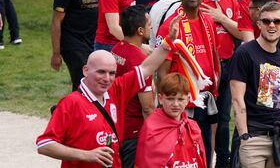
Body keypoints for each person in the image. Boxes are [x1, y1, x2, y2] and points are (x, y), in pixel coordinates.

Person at [36, 19, 179, 168]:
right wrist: (87, 155)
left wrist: (168, 41)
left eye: (112, 73)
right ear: (85, 70)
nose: (107, 78)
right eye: (101, 72)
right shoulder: (70, 103)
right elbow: (45, 144)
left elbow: (146, 68)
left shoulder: (116, 89)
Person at [156, 0, 221, 167]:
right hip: (183, 103)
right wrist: (170, 104)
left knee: (205, 149)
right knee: (183, 153)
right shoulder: (171, 26)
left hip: (205, 98)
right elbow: (162, 72)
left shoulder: (208, 21)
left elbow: (213, 54)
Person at [230, 1, 280, 168]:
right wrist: (244, 136)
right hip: (253, 137)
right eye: (266, 21)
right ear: (259, 24)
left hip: (279, 137)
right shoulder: (244, 53)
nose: (272, 25)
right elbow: (237, 99)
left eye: (277, 21)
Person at [201, 0, 245, 168]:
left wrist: (221, 18)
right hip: (205, 67)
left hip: (228, 65)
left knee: (225, 115)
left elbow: (241, 32)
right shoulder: (199, 0)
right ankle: (203, 157)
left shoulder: (231, 2)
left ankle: (223, 160)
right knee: (205, 115)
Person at [50, 0, 101, 90]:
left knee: (92, 83)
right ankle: (73, 111)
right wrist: (56, 54)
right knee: (84, 83)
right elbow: (56, 22)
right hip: (73, 45)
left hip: (93, 42)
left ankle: (66, 110)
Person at [110, 5, 154, 168]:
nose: (151, 26)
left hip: (118, 125)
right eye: (149, 24)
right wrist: (154, 136)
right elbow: (148, 107)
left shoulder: (117, 49)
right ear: (140, 31)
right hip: (134, 132)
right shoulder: (140, 63)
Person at [135, 73, 207, 168]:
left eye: (181, 99)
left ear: (188, 99)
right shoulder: (152, 127)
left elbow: (200, 160)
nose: (176, 104)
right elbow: (146, 163)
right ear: (160, 99)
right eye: (170, 99)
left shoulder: (193, 127)